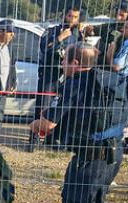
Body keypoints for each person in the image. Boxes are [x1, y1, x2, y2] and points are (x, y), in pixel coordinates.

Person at [30, 42, 127, 203]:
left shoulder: (76, 83)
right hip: (112, 154)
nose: (62, 64)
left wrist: (34, 125)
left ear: (75, 63)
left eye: (64, 60)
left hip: (91, 156)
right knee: (90, 202)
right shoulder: (106, 81)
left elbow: (49, 123)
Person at [37, 6, 83, 147]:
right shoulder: (53, 31)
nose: (72, 19)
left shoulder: (78, 35)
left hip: (68, 77)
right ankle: (35, 140)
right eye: (70, 16)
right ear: (65, 15)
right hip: (51, 76)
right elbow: (45, 49)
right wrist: (60, 38)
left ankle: (55, 141)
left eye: (75, 17)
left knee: (62, 108)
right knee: (43, 107)